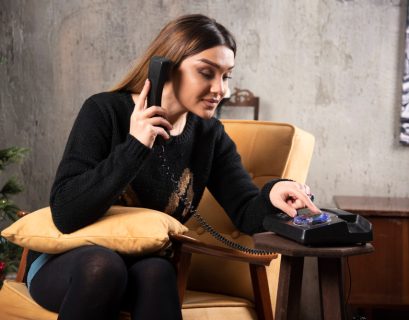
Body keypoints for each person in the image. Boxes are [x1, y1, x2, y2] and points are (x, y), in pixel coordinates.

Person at [25, 14, 319, 320]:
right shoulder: (104, 111)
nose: (221, 90)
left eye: (226, 76)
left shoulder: (209, 135)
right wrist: (136, 146)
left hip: (140, 268)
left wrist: (274, 193)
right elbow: (65, 212)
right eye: (207, 73)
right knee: (104, 267)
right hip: (68, 264)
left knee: (158, 271)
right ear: (165, 68)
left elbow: (246, 211)